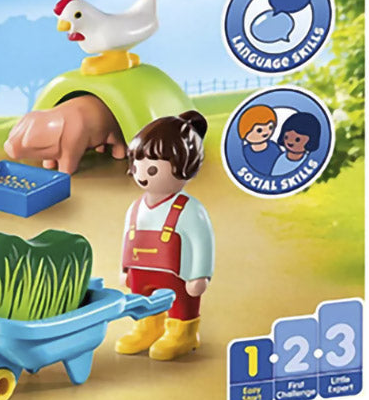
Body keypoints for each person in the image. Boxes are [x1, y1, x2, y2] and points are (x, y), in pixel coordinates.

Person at [117, 111, 214, 360]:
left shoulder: (190, 208)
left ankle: (184, 332)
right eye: (136, 166)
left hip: (177, 272)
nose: (141, 175)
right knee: (141, 299)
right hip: (140, 268)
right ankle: (147, 327)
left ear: (184, 167)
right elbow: (128, 237)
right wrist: (125, 268)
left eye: (151, 169)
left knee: (182, 302)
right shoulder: (135, 207)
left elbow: (202, 242)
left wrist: (200, 274)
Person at [270, 111, 321, 175]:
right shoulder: (281, 159)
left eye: (297, 140)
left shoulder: (308, 163)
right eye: (286, 137)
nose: (290, 142)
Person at [237, 104, 281, 175]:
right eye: (259, 130)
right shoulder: (245, 151)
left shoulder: (273, 147)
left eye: (270, 127)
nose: (266, 132)